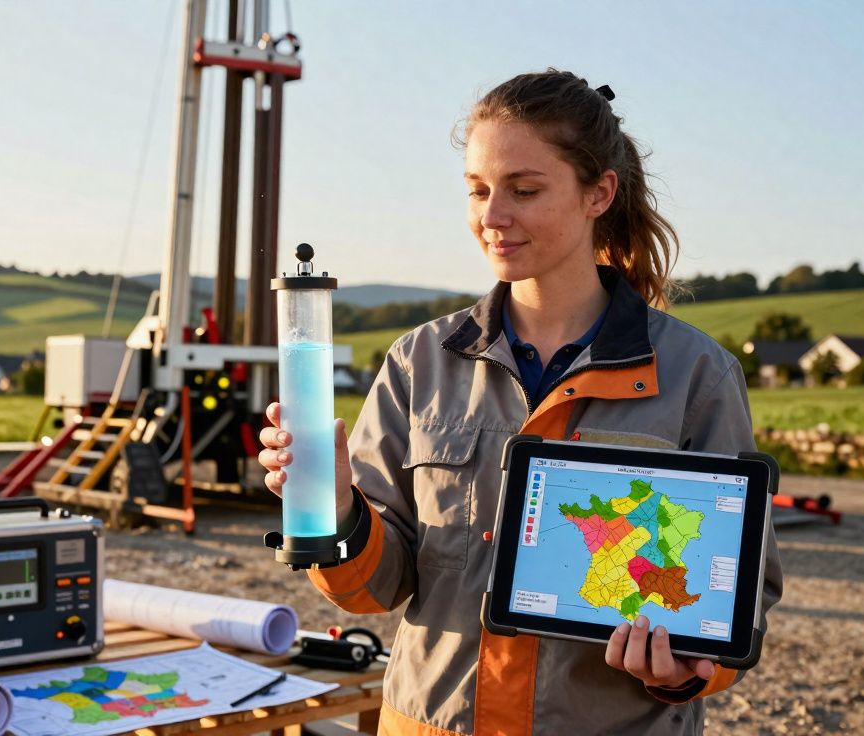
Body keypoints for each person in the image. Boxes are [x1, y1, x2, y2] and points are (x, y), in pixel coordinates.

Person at [259, 69, 783, 735]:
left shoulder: (695, 374)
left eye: (524, 190)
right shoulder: (420, 362)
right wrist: (336, 508)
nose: (491, 216)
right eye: (477, 190)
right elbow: (373, 589)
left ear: (599, 192)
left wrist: (684, 668)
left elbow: (741, 597)